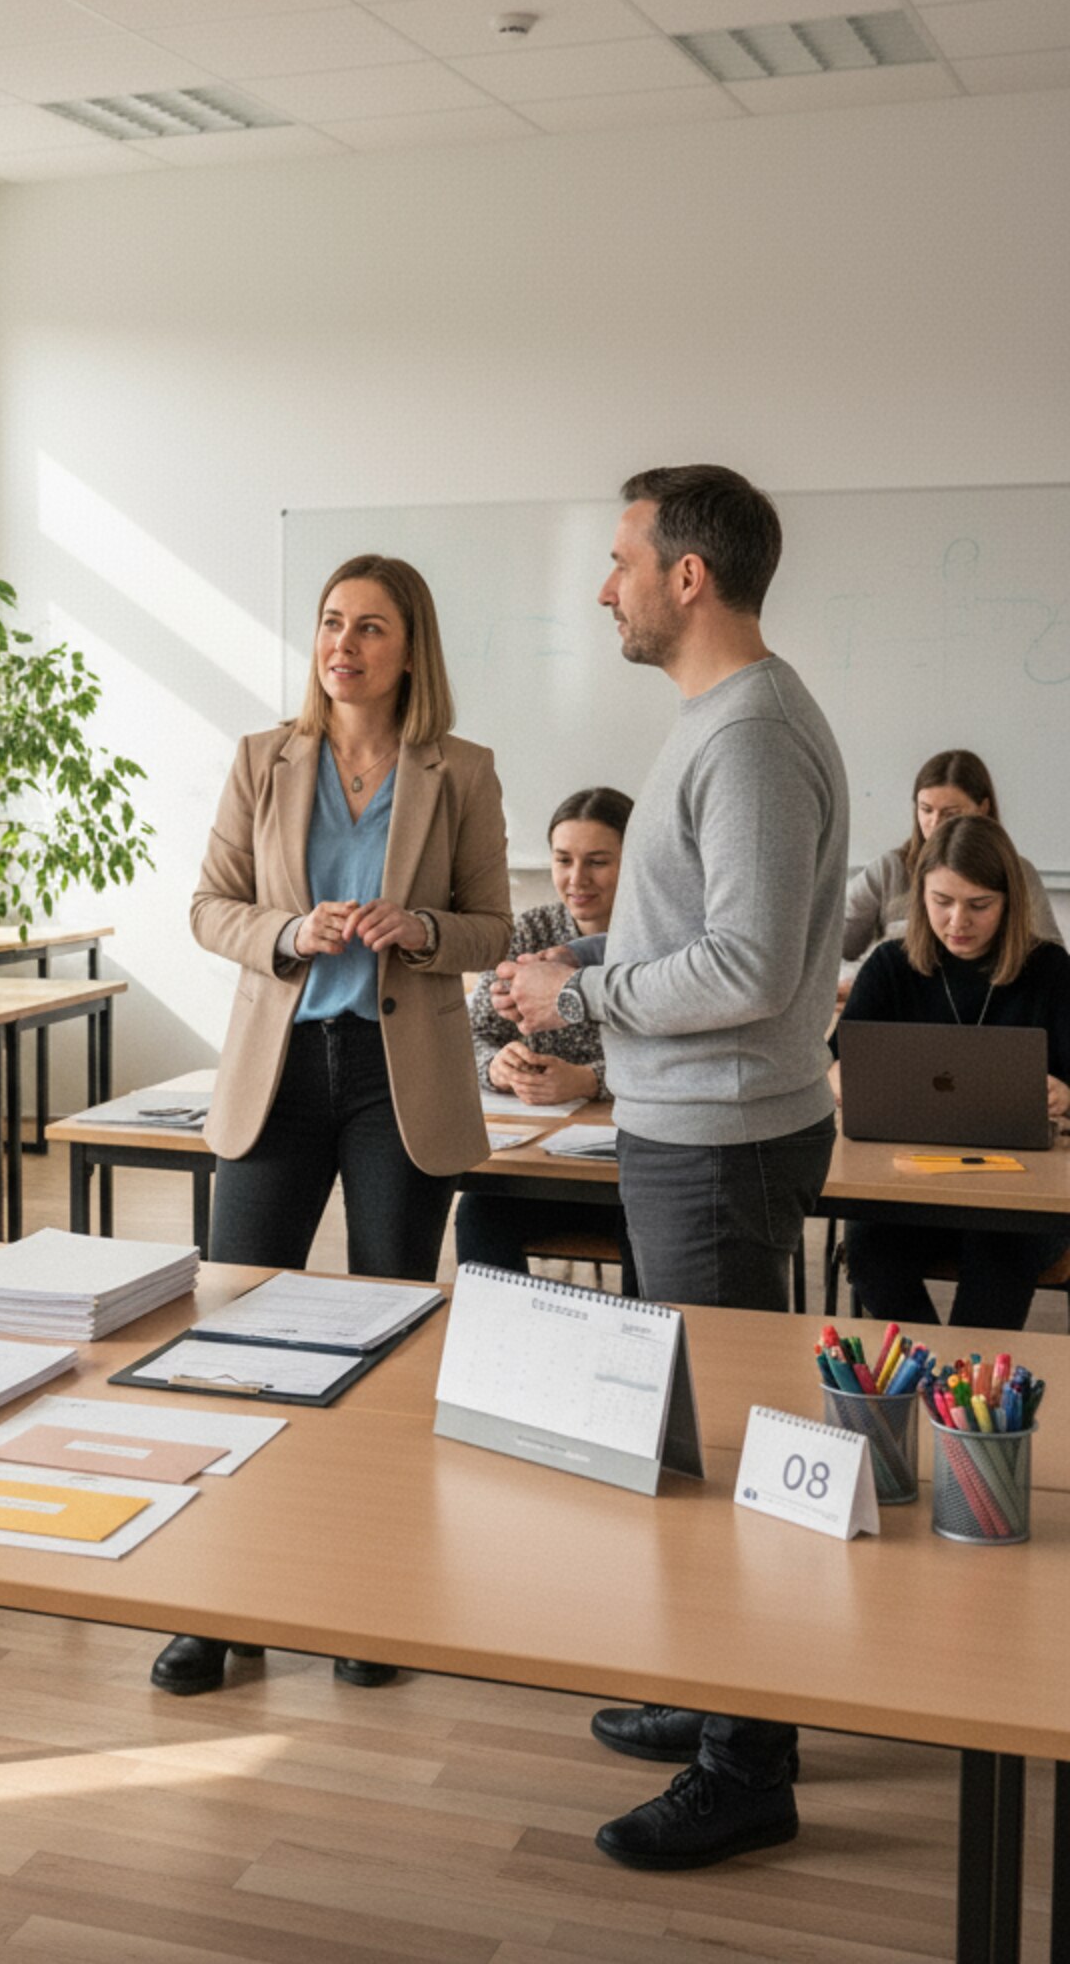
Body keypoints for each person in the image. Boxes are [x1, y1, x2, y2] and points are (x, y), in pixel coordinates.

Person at [495, 465, 846, 1871]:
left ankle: (747, 1761)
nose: (606, 586)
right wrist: (573, 965)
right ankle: (718, 1697)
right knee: (690, 1438)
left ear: (688, 575)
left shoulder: (750, 733)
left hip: (718, 1139)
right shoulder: (722, 721)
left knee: (726, 1463)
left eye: (624, 559)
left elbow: (752, 969)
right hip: (687, 1129)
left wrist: (580, 1002)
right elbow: (692, 929)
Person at [154, 552, 511, 1700]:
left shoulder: (459, 770)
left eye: (367, 627)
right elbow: (209, 905)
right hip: (280, 1068)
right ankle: (218, 1604)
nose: (341, 645)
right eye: (327, 623)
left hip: (393, 1077)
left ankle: (370, 1598)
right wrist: (288, 931)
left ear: (409, 649)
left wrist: (416, 926)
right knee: (233, 1329)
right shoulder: (264, 759)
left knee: (386, 1330)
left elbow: (494, 930)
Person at [837, 814, 1070, 1328]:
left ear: (1009, 901)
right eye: (941, 902)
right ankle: (935, 1371)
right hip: (908, 1186)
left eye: (978, 905)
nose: (957, 921)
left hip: (1019, 1195)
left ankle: (965, 1383)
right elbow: (837, 1070)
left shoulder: (1050, 971)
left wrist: (1064, 1094)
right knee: (871, 1255)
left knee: (999, 1261)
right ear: (920, 896)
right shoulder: (891, 967)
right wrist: (854, 1083)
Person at [454, 786, 635, 1286]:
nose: (577, 880)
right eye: (563, 860)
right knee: (478, 1213)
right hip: (543, 1163)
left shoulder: (655, 939)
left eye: (598, 861)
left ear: (635, 859)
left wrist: (588, 1080)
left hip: (635, 1174)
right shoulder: (527, 933)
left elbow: (675, 1055)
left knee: (649, 1233)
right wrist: (494, 1066)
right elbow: (470, 1039)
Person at [842, 749, 1061, 961]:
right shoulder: (889, 869)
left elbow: (1050, 960)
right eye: (926, 809)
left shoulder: (1017, 872)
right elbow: (830, 945)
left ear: (982, 808)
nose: (935, 823)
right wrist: (863, 979)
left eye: (951, 813)